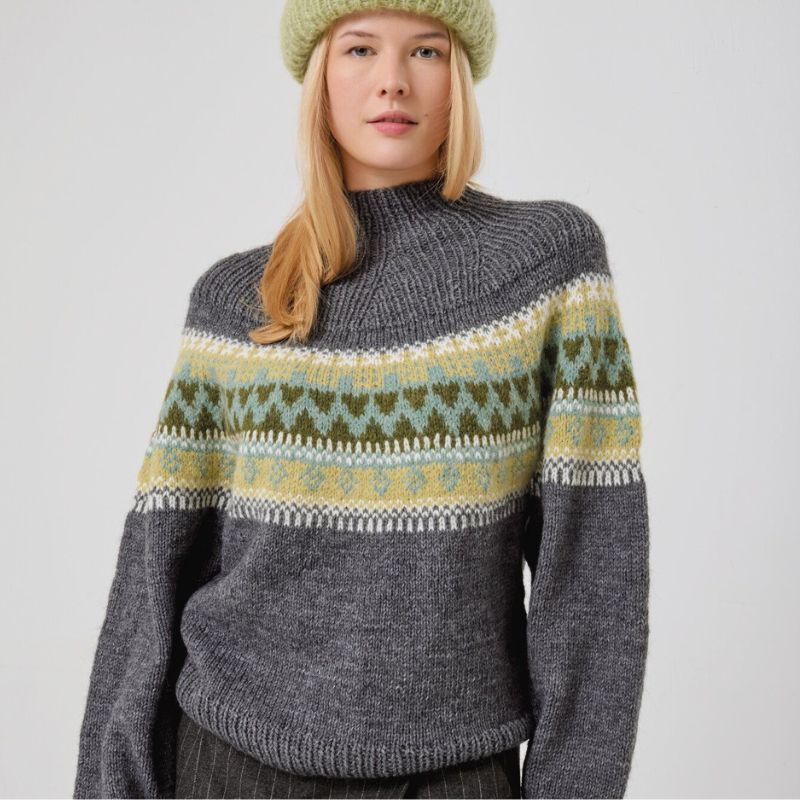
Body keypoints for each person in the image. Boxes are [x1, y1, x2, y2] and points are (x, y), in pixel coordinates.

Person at [73, 1, 651, 798]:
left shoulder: (546, 267)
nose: (392, 81)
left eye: (426, 51)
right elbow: (152, 577)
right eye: (359, 50)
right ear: (319, 74)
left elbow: (593, 574)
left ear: (460, 77)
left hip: (450, 772)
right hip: (225, 763)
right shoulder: (236, 300)